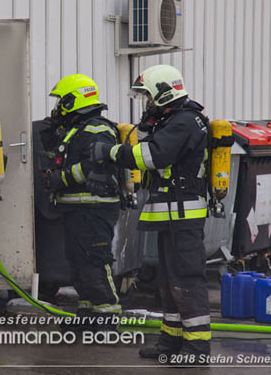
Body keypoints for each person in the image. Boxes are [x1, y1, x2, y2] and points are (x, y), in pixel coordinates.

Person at [90, 64, 211, 360]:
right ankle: (171, 342)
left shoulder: (184, 122)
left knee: (186, 279)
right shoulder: (173, 122)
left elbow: (154, 155)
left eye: (149, 97)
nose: (148, 104)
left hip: (184, 216)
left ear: (163, 93)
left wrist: (111, 153)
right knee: (169, 281)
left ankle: (196, 347)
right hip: (172, 216)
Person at [39, 74, 122, 328]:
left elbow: (95, 165)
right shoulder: (77, 130)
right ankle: (88, 317)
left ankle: (108, 319)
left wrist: (61, 179)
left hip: (95, 209)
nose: (58, 107)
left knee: (95, 262)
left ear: (73, 101)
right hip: (78, 208)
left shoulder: (97, 129)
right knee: (79, 265)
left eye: (61, 101)